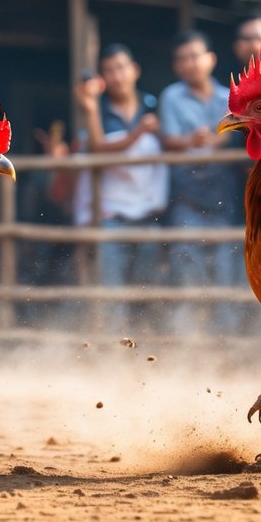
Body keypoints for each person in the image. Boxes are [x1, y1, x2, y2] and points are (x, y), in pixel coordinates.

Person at [71, 44, 168, 333]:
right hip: (112, 215)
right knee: (110, 290)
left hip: (148, 215)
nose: (117, 76)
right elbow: (99, 150)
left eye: (121, 67)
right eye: (109, 70)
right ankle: (110, 350)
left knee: (149, 290)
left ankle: (147, 348)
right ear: (102, 78)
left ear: (134, 70)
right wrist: (90, 108)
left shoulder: (153, 105)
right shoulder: (96, 112)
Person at [158, 30, 241, 334]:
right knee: (187, 270)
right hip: (187, 194)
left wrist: (219, 141)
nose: (190, 63)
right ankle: (188, 343)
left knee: (225, 271)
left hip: (223, 193)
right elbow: (167, 139)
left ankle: (226, 343)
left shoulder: (229, 97)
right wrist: (190, 140)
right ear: (177, 66)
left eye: (195, 56)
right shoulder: (171, 96)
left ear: (210, 59)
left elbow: (243, 134)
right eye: (183, 59)